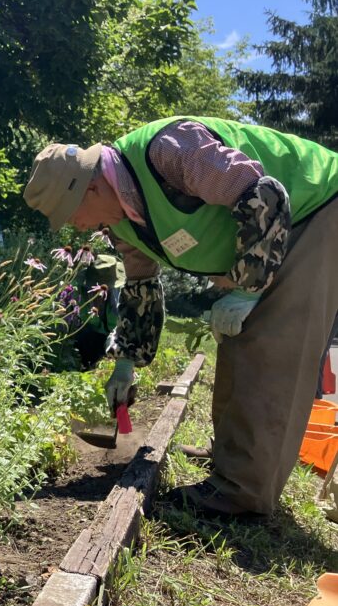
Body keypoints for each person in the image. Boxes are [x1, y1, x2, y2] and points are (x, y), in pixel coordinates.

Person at [23, 117, 338, 518]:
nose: (79, 227)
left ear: (93, 186)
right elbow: (141, 289)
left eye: (73, 215)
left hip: (317, 206)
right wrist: (125, 364)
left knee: (271, 343)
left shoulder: (169, 150)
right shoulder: (121, 222)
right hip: (268, 233)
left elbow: (264, 194)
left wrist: (247, 288)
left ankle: (243, 490)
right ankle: (232, 456)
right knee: (237, 338)